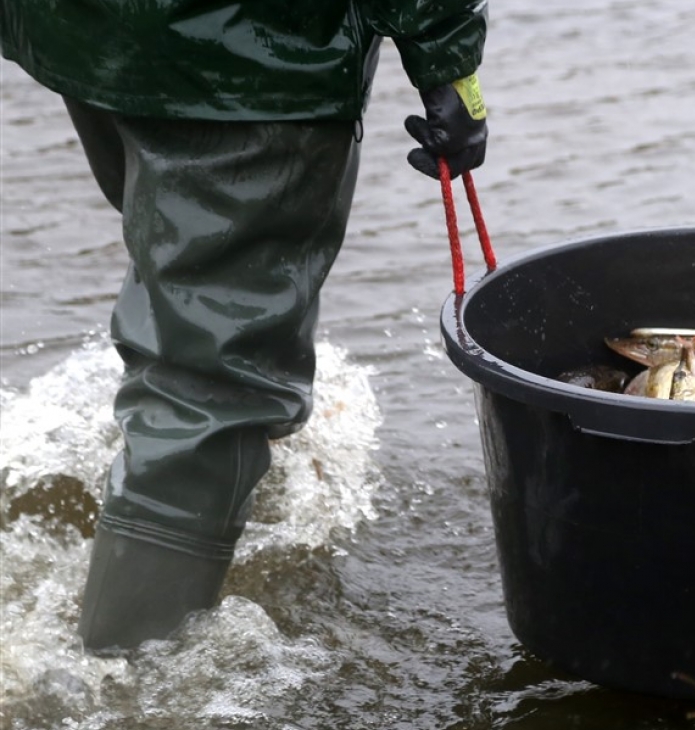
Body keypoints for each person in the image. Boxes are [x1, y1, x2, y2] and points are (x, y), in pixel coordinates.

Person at [1, 1, 490, 654]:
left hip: (79, 24)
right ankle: (126, 687)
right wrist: (449, 61)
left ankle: (175, 513)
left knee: (186, 298)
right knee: (210, 384)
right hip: (247, 50)